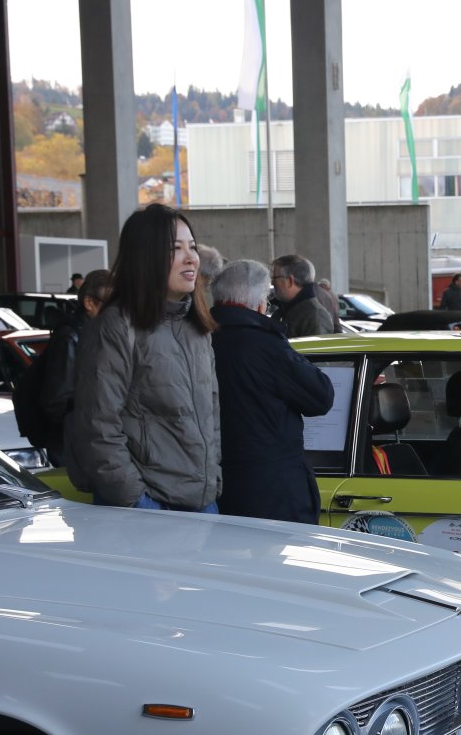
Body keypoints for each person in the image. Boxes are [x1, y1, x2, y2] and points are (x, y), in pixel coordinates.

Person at [69, 203, 221, 513]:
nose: (191, 257)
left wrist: (213, 479)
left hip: (202, 502)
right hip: (148, 507)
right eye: (175, 249)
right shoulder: (116, 326)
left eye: (192, 247)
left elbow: (211, 414)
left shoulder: (197, 328)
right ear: (145, 257)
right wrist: (136, 500)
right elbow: (97, 426)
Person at [210, 259, 336, 524]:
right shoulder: (265, 344)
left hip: (215, 484)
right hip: (273, 492)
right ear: (260, 305)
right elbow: (321, 395)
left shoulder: (198, 338)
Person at [36, 269, 111, 467]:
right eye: (111, 304)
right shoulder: (70, 338)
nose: (118, 312)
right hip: (73, 444)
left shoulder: (99, 334)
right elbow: (57, 400)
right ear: (89, 303)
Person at [270, 254, 334, 338]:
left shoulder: (316, 316)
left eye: (275, 278)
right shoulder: (283, 311)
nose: (272, 283)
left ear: (290, 281)